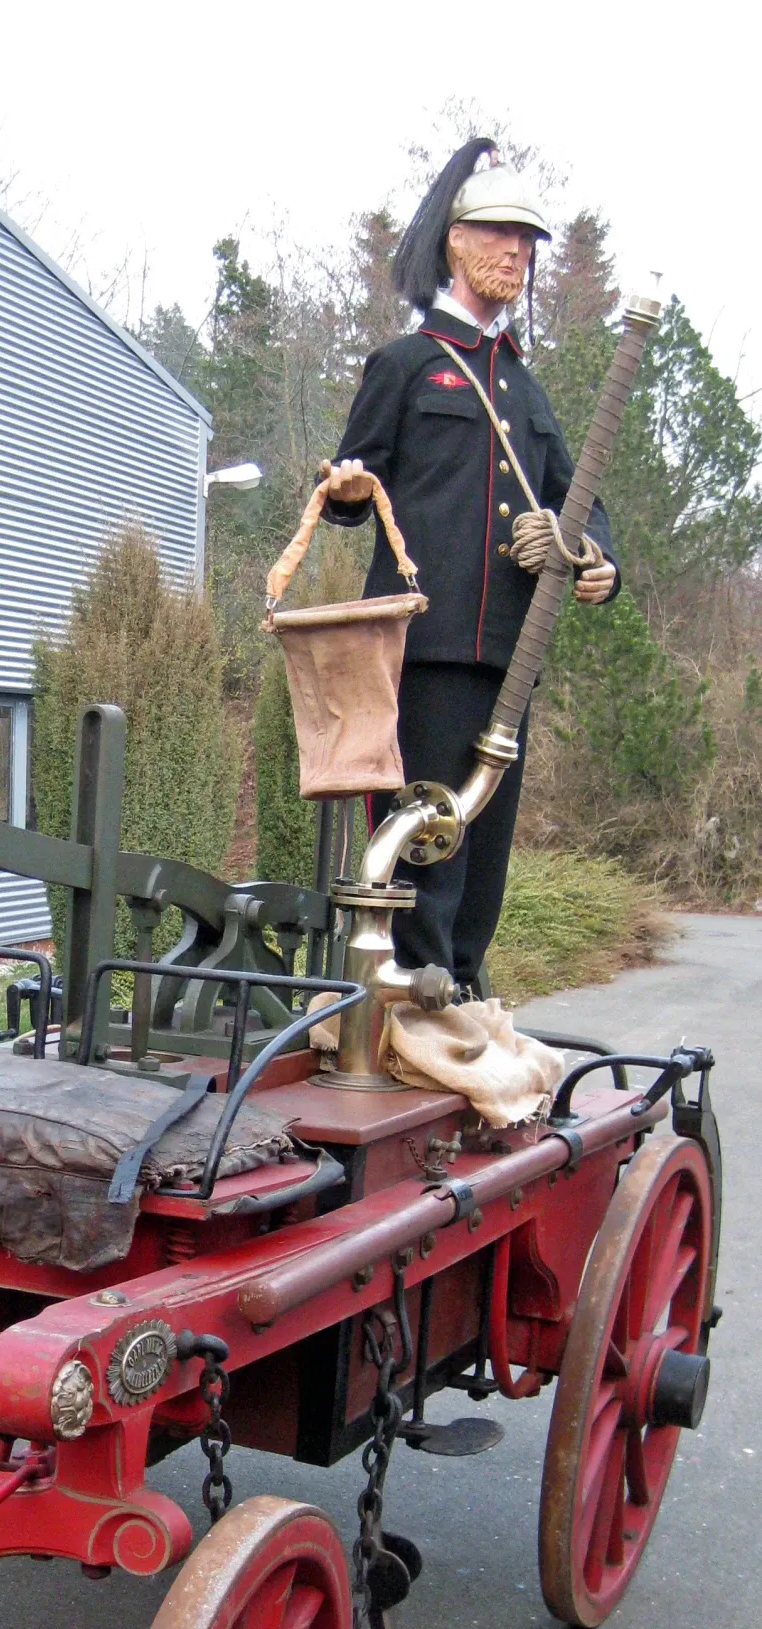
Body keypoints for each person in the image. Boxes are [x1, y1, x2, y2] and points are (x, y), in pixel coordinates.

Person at [322, 138, 618, 992]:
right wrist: (344, 489)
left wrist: (596, 557)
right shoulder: (407, 364)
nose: (515, 255)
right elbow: (355, 480)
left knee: (483, 850)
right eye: (499, 236)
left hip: (507, 658)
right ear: (456, 242)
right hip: (419, 652)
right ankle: (413, 997)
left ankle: (463, 989)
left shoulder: (524, 388)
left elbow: (580, 497)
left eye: (527, 243)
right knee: (422, 839)